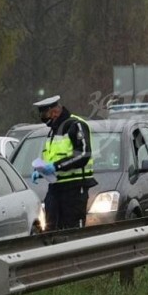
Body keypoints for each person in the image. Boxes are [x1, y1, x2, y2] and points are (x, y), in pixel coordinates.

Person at [31, 95, 97, 230]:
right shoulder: (53, 131)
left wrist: (55, 166)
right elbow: (52, 157)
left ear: (54, 112)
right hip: (55, 188)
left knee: (72, 231)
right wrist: (41, 170)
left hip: (74, 188)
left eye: (44, 114)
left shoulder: (76, 125)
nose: (43, 119)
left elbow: (83, 155)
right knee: (50, 229)